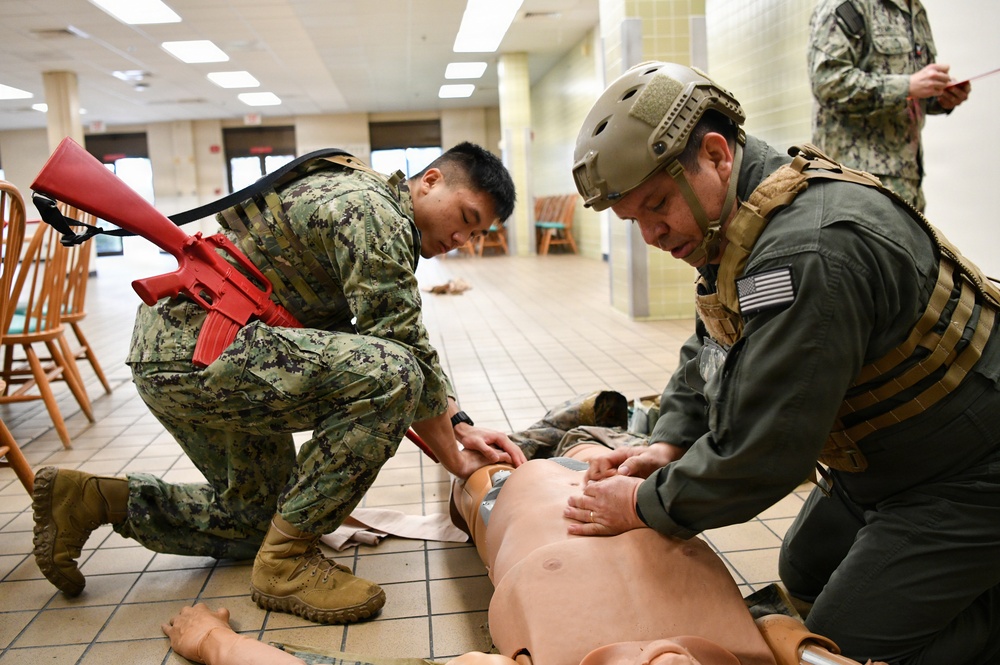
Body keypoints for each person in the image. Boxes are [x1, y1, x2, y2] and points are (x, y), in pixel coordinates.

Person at [566, 61, 1000, 665]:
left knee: (837, 649)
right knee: (803, 566)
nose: (651, 235)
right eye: (634, 218)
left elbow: (766, 452)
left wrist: (641, 505)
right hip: (890, 462)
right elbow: (711, 347)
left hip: (968, 473)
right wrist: (667, 444)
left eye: (657, 204)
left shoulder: (807, 250)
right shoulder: (742, 223)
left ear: (716, 154)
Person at [31, 141, 527, 626]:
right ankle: (287, 562)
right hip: (207, 350)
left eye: (476, 233)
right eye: (465, 218)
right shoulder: (374, 212)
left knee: (258, 519)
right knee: (391, 374)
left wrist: (458, 423)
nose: (463, 240)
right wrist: (455, 458)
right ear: (431, 181)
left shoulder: (354, 188)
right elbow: (402, 348)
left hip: (190, 350)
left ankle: (91, 499)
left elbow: (380, 337)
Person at [164, 450, 872, 665]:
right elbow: (787, 633)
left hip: (507, 500)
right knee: (617, 440)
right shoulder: (771, 654)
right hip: (629, 482)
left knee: (479, 470)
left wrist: (219, 645)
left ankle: (522, 455)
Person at [808, 0, 970, 212]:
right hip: (854, 184)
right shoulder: (848, 5)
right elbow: (828, 83)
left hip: (907, 184)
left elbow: (911, 89)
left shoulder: (915, 10)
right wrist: (907, 86)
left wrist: (939, 98)